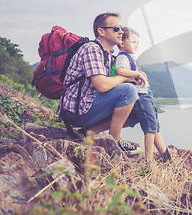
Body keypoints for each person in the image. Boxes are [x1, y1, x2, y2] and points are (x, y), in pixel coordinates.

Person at [58, 12, 145, 155]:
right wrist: (124, 78)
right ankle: (114, 142)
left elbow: (111, 83)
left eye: (121, 28)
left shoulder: (109, 56)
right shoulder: (91, 49)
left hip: (89, 106)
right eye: (116, 28)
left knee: (138, 106)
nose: (121, 32)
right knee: (128, 91)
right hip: (76, 110)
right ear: (101, 31)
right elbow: (102, 85)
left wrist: (133, 77)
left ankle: (87, 132)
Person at [114, 27, 167, 161]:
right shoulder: (122, 56)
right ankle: (149, 160)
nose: (136, 45)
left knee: (154, 126)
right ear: (122, 43)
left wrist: (140, 74)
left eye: (138, 42)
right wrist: (137, 73)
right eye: (133, 42)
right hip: (140, 96)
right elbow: (120, 70)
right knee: (150, 127)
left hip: (145, 93)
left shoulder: (131, 57)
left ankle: (165, 155)